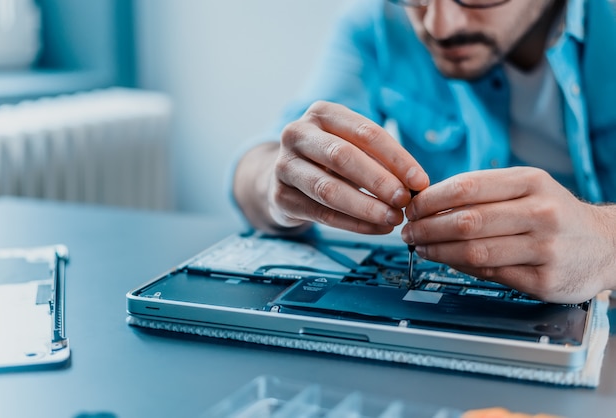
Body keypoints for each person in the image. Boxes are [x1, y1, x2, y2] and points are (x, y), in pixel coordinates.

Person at [232, 0, 616, 304]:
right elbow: (261, 161)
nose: (438, 26)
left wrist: (604, 244)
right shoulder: (378, 21)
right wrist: (278, 185)